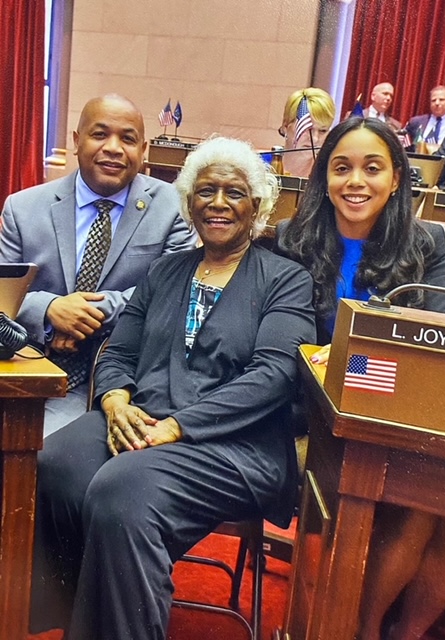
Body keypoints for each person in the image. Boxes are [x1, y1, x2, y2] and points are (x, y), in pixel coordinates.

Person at [29, 136, 316, 640]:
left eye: (234, 192)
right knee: (57, 463)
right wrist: (115, 399)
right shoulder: (165, 271)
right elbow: (118, 352)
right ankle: (78, 612)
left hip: (236, 444)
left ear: (257, 206)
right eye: (206, 191)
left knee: (123, 491)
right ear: (189, 203)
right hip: (143, 418)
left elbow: (275, 375)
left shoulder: (285, 280)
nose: (219, 203)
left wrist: (179, 426)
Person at [276, 117, 445, 640]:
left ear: (396, 178)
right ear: (325, 178)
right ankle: (362, 630)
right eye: (341, 168)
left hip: (398, 416)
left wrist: (367, 365)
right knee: (421, 491)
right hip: (312, 416)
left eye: (373, 167)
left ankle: (402, 634)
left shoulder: (426, 242)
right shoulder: (290, 240)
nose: (356, 182)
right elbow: (290, 349)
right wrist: (368, 363)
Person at [0, 94, 198, 435]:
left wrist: (88, 312)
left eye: (128, 139)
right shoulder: (23, 208)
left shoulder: (173, 208)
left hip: (121, 378)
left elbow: (171, 293)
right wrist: (50, 310)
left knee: (50, 453)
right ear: (76, 141)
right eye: (100, 134)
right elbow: (3, 293)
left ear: (144, 149)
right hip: (27, 365)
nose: (114, 148)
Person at [278, 87, 336, 177]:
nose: (315, 138)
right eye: (307, 129)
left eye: (323, 131)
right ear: (285, 126)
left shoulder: (330, 174)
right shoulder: (259, 166)